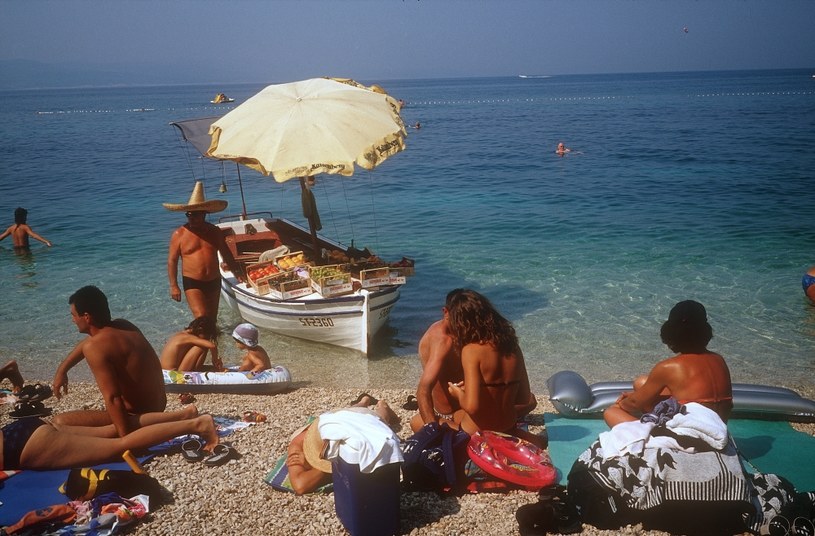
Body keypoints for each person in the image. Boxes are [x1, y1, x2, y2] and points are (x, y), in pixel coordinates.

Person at [51, 285, 167, 437]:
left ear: (86, 317)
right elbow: (87, 344)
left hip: (137, 416)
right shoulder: (125, 326)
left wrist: (127, 441)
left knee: (59, 423)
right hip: (159, 406)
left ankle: (128, 432)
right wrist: (62, 370)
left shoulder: (95, 347)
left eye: (73, 315)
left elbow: (113, 398)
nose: (73, 320)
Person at [603, 300, 733, 427]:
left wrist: (621, 404)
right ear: (705, 331)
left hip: (689, 438)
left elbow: (635, 403)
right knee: (641, 382)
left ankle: (653, 434)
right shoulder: (719, 359)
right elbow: (695, 398)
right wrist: (635, 397)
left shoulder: (669, 367)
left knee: (611, 413)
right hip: (719, 429)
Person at [444, 289, 543, 448]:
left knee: (419, 422)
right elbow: (524, 398)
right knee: (457, 415)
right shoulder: (513, 347)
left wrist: (458, 393)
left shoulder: (471, 350)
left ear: (461, 322)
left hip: (477, 431)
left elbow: (472, 407)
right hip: (507, 426)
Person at [1, 409, 218, 470]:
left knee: (120, 446)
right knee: (112, 431)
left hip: (22, 446)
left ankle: (196, 424)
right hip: (20, 430)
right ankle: (184, 414)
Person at [286, 394, 400, 495]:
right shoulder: (298, 444)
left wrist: (324, 464)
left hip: (348, 420)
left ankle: (382, 406)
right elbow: (300, 487)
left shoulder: (350, 439)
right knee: (350, 412)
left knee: (380, 420)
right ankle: (363, 402)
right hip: (338, 417)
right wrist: (325, 464)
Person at [165, 181, 243, 320]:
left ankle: (215, 342)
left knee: (212, 319)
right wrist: (174, 286)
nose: (191, 217)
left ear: (204, 214)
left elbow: (225, 253)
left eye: (195, 214)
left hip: (214, 280)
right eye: (188, 214)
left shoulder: (214, 231)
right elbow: (172, 261)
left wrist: (237, 272)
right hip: (192, 282)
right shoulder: (179, 234)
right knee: (201, 319)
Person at [409, 289, 464, 433]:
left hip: (462, 409)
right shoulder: (442, 339)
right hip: (447, 414)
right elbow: (423, 390)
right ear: (445, 312)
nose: (463, 323)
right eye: (458, 318)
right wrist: (432, 431)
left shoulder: (458, 333)